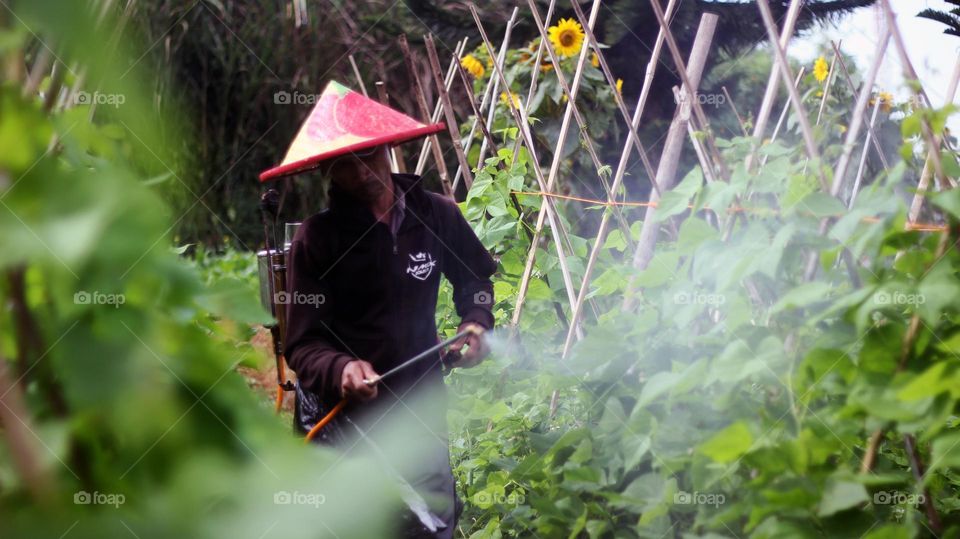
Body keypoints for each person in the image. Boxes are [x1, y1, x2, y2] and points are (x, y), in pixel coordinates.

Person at [282, 142, 496, 538]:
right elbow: (301, 344)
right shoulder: (318, 239)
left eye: (367, 157)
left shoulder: (436, 214)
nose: (361, 173)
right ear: (327, 172)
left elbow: (475, 280)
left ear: (387, 148)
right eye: (344, 165)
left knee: (430, 525)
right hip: (345, 423)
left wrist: (476, 320)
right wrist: (341, 368)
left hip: (420, 409)